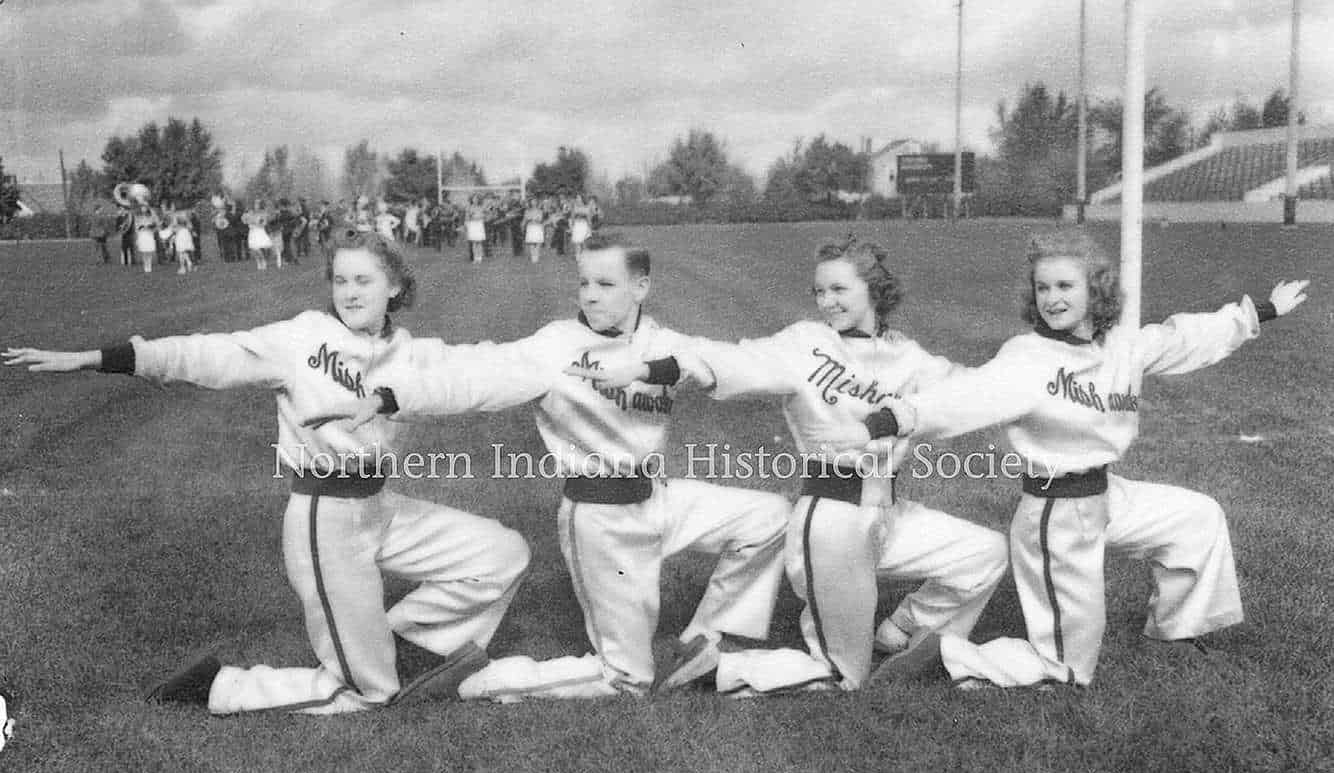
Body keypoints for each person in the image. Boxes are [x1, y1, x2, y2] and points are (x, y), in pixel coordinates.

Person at [2, 230, 539, 716]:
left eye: (364, 280)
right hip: (323, 519)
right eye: (340, 280)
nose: (350, 292)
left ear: (395, 286)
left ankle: (413, 650)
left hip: (380, 508)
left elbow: (480, 370)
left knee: (500, 553)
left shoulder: (411, 352)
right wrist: (102, 357)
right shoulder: (301, 340)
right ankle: (221, 687)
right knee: (369, 692)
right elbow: (206, 355)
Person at [868, 228, 1309, 690]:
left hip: (1105, 495)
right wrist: (899, 415)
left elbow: (1184, 337)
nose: (1052, 299)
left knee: (1196, 517)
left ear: (1094, 290)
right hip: (1056, 514)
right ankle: (949, 654)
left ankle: (1177, 632)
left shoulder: (1120, 347)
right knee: (1070, 670)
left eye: (1065, 286)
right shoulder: (1028, 357)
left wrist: (1261, 311)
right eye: (1043, 288)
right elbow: (967, 394)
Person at [572, 235, 1009, 695]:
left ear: (874, 288)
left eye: (839, 290)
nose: (826, 302)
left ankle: (902, 632)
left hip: (887, 515)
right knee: (846, 676)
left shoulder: (910, 357)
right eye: (820, 292)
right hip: (831, 522)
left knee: (984, 554)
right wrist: (650, 369)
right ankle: (720, 669)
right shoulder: (805, 345)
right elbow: (728, 359)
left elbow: (973, 391)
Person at [373, 231, 792, 700]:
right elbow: (477, 376)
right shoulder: (555, 347)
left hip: (659, 499)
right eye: (585, 282)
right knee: (627, 679)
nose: (590, 294)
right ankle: (481, 681)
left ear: (641, 288)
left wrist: (668, 369)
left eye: (606, 284)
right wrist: (396, 394)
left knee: (770, 517)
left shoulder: (661, 340)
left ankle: (704, 644)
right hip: (602, 520)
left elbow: (728, 361)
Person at [242, 199, 274, 270]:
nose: (255, 205)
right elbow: (244, 221)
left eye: (257, 204)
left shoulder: (263, 213)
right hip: (252, 231)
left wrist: (258, 222)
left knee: (258, 248)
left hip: (259, 231)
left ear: (260, 205)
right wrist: (247, 218)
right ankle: (258, 262)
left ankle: (263, 260)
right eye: (255, 204)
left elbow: (264, 223)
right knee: (253, 249)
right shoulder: (250, 212)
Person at [132, 203, 160, 273]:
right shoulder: (138, 216)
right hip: (142, 234)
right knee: (144, 251)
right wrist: (139, 228)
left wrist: (151, 227)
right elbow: (136, 226)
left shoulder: (151, 215)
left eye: (145, 207)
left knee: (149, 251)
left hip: (149, 234)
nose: (143, 209)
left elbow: (157, 224)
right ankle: (145, 266)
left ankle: (149, 266)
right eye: (142, 207)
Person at [169, 209, 195, 275]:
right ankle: (189, 262)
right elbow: (190, 227)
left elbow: (174, 228)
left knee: (181, 253)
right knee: (184, 251)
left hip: (180, 235)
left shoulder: (175, 216)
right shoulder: (185, 215)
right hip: (186, 234)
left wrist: (173, 232)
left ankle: (182, 267)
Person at [522, 197, 545, 264]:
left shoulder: (540, 211)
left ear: (537, 202)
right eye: (532, 201)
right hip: (530, 227)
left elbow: (540, 219)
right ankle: (533, 256)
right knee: (531, 243)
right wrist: (522, 225)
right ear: (530, 203)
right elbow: (525, 219)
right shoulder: (527, 211)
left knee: (538, 242)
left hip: (537, 227)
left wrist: (536, 219)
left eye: (535, 201)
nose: (533, 203)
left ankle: (536, 256)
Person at [464, 195, 486, 263]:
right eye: (474, 199)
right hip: (472, 225)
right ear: (472, 199)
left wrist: (481, 217)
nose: (475, 200)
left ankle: (479, 258)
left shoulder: (481, 207)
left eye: (477, 199)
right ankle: (475, 258)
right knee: (474, 242)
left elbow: (485, 215)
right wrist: (466, 224)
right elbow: (467, 217)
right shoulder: (469, 207)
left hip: (479, 224)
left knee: (479, 242)